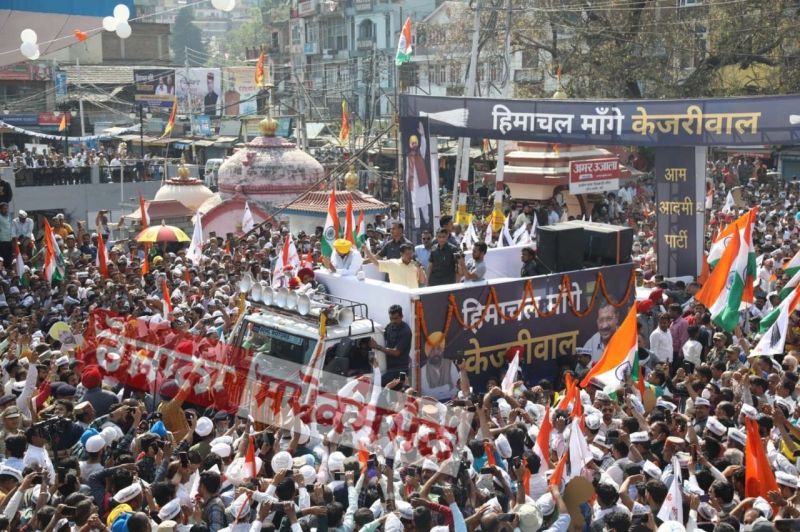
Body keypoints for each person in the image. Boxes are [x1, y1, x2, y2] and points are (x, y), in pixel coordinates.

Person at [370, 304, 411, 385]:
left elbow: (396, 352)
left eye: (395, 318)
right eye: (391, 318)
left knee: (377, 384)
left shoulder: (405, 331)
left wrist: (377, 346)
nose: (393, 321)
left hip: (400, 370)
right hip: (389, 367)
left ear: (401, 316)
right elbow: (382, 336)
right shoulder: (390, 326)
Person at [405, 122, 431, 227]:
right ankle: (417, 224)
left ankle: (427, 220)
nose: (414, 144)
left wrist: (422, 135)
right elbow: (407, 170)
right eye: (412, 143)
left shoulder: (421, 153)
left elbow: (424, 145)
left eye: (416, 142)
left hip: (422, 181)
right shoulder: (408, 156)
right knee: (415, 205)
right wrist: (407, 183)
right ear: (410, 144)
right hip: (413, 183)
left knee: (424, 203)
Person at [420, 333, 459, 401]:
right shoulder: (422, 371)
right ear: (428, 352)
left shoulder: (450, 365)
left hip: (451, 402)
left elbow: (456, 388)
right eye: (432, 350)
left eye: (438, 349)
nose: (436, 353)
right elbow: (427, 394)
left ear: (442, 350)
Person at [0, 203, 11, 267]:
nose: (6, 210)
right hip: (2, 240)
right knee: (3, 257)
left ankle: (8, 269)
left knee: (8, 258)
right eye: (4, 208)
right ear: (0, 209)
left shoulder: (8, 216)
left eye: (7, 208)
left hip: (9, 240)